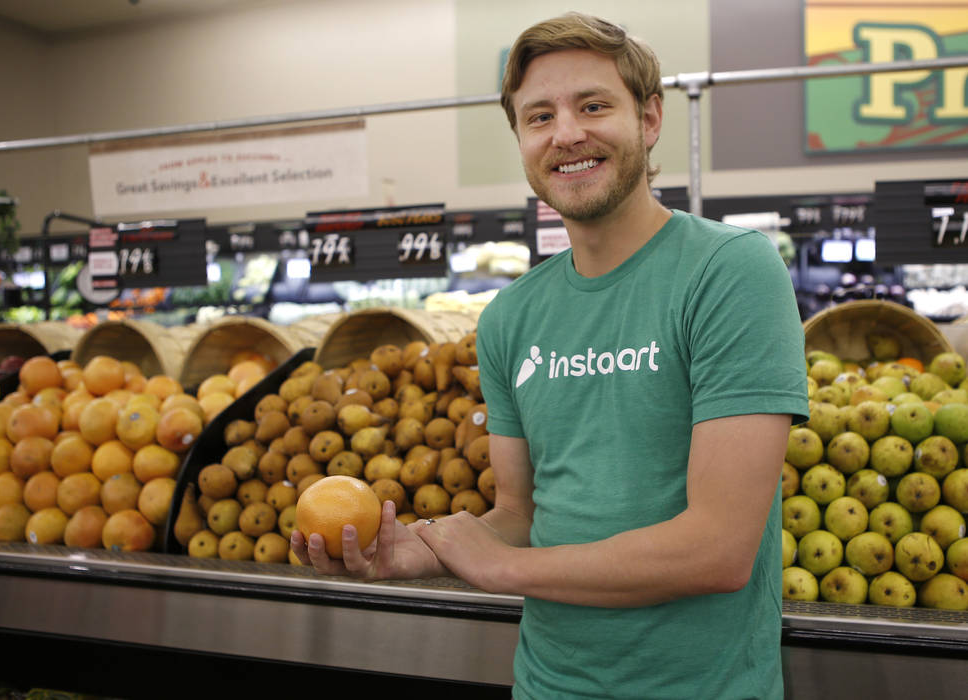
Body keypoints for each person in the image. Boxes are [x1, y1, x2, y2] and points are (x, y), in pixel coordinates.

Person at [292, 11, 808, 699]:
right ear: (523, 140)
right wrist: (421, 549)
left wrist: (502, 571)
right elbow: (520, 516)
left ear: (650, 120)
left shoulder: (730, 271)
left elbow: (717, 550)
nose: (566, 134)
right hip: (547, 684)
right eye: (539, 117)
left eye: (593, 106)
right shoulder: (511, 317)